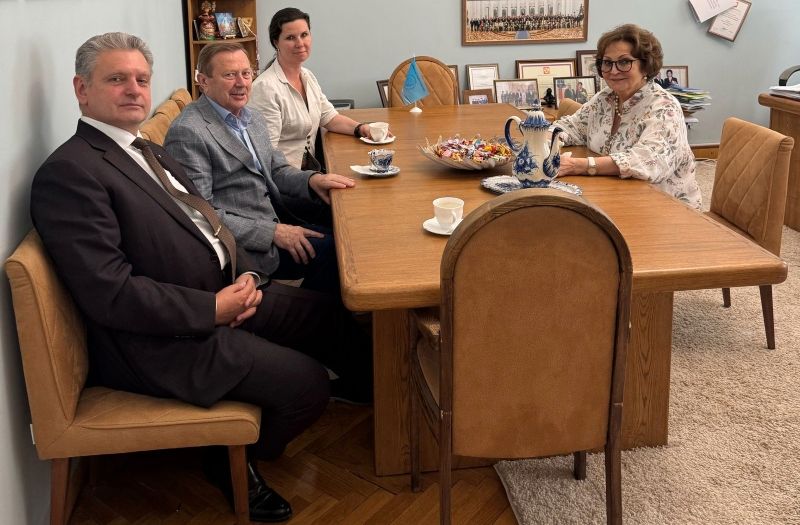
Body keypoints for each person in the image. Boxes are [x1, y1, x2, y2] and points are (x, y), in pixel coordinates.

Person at [31, 32, 371, 523]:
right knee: (308, 385)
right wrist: (213, 309)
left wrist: (239, 279)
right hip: (162, 337)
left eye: (141, 79)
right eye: (116, 79)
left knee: (330, 315)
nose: (133, 90)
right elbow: (111, 294)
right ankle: (224, 456)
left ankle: (381, 394)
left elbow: (201, 220)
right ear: (81, 90)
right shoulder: (69, 173)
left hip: (219, 290)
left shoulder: (143, 148)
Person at [165, 42, 349, 294]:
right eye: (229, 75)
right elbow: (201, 214)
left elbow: (275, 169)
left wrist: (312, 180)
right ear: (203, 81)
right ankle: (319, 320)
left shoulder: (250, 116)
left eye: (246, 73)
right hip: (247, 244)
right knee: (338, 252)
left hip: (272, 210)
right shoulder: (188, 132)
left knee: (345, 220)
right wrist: (273, 232)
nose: (241, 82)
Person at [553, 24, 701, 209]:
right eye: (607, 62)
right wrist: (541, 138)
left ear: (646, 66)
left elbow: (647, 162)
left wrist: (579, 165)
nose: (613, 71)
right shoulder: (604, 98)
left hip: (665, 209)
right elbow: (572, 127)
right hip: (616, 195)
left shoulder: (665, 107)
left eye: (624, 62)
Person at [248, 7, 391, 170]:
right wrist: (310, 181)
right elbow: (266, 156)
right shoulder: (265, 88)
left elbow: (328, 117)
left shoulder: (307, 76)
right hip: (285, 181)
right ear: (276, 42)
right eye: (290, 38)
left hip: (310, 170)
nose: (300, 43)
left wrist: (361, 128)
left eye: (304, 35)